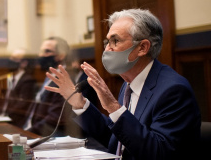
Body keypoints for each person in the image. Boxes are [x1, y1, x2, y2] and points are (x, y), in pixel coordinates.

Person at [45, 9, 201, 159]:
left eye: (115, 41)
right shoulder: (129, 84)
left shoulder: (173, 90)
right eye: (107, 42)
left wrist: (113, 106)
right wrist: (80, 104)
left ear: (142, 47)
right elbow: (117, 139)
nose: (107, 49)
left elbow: (158, 153)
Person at [22, 36, 75, 136]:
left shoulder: (64, 80)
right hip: (33, 131)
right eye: (41, 51)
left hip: (46, 136)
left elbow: (54, 120)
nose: (41, 55)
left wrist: (26, 134)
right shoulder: (50, 77)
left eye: (47, 51)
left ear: (61, 55)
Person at [0, 48, 36, 128]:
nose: (10, 61)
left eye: (14, 59)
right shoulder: (10, 78)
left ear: (24, 63)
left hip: (16, 122)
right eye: (10, 58)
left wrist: (5, 116)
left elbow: (23, 104)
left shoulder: (28, 80)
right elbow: (9, 98)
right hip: (4, 117)